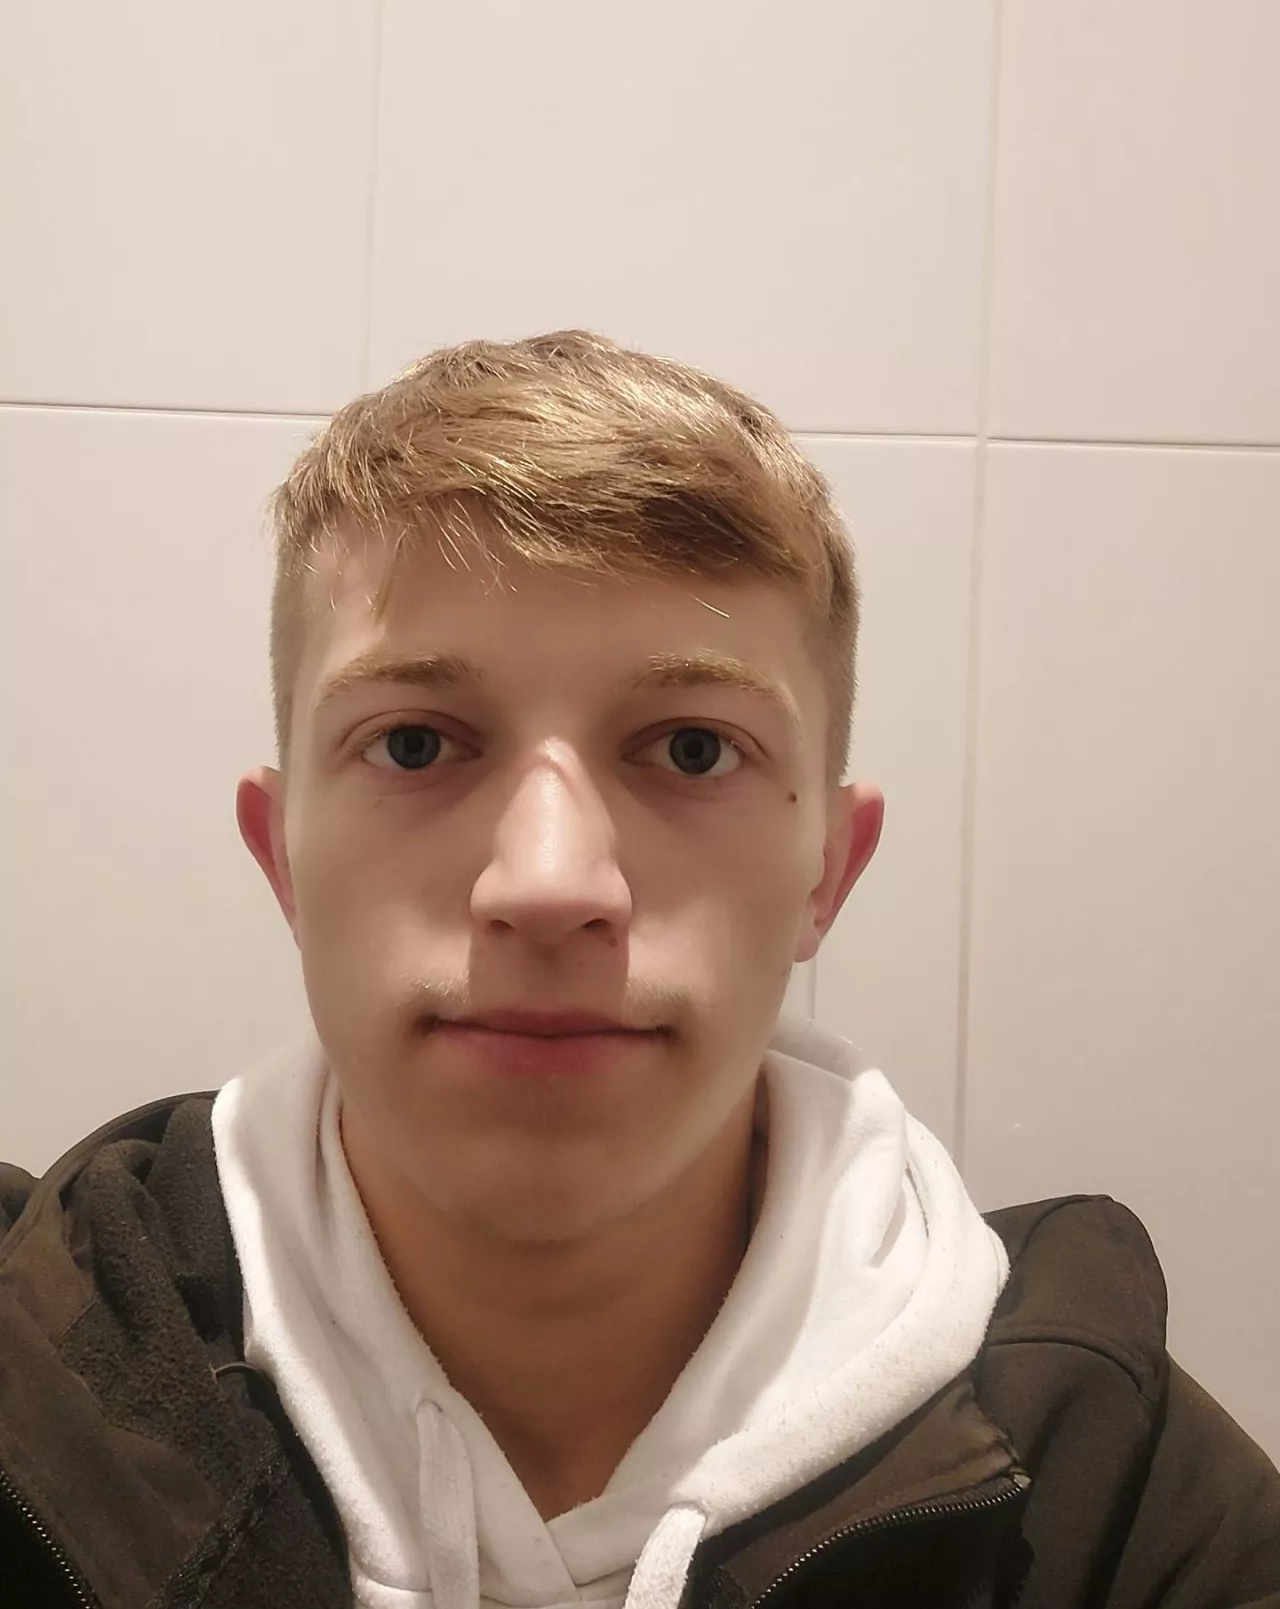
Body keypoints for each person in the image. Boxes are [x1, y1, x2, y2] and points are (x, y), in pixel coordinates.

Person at [1, 332, 1276, 1609]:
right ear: (280, 855)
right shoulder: (32, 1372)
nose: (549, 885)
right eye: (413, 743)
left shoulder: (1113, 1496)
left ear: (827, 871)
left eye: (691, 750)